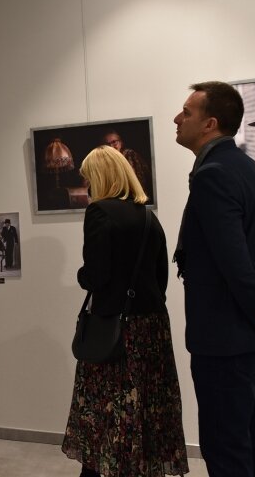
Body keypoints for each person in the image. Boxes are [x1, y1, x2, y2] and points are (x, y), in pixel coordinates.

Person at [173, 81, 255, 477]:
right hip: (247, 333)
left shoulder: (213, 174)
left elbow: (237, 264)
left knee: (227, 446)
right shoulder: (252, 169)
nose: (177, 119)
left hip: (224, 338)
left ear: (210, 123)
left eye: (186, 112)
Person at [62, 145, 188, 477]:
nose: (87, 186)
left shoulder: (99, 212)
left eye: (89, 178)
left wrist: (81, 276)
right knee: (144, 411)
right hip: (152, 329)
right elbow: (161, 277)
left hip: (116, 331)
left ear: (100, 178)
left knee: (105, 413)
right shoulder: (148, 215)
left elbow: (97, 275)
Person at [103, 130, 151, 196]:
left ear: (121, 142)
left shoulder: (129, 154)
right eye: (107, 144)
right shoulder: (104, 161)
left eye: (114, 142)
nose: (111, 146)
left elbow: (138, 182)